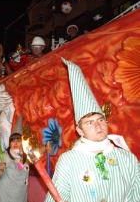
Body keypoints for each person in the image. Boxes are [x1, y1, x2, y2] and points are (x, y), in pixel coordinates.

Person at [44, 58, 140, 202]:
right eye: (89, 123)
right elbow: (56, 198)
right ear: (79, 130)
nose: (97, 125)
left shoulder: (127, 158)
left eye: (100, 120)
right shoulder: (69, 161)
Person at [0, 132, 29, 202]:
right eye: (12, 140)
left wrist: (46, 147)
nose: (15, 143)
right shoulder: (3, 157)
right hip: (5, 196)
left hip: (20, 195)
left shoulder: (25, 157)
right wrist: (1, 171)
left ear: (23, 142)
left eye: (18, 140)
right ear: (10, 143)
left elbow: (37, 154)